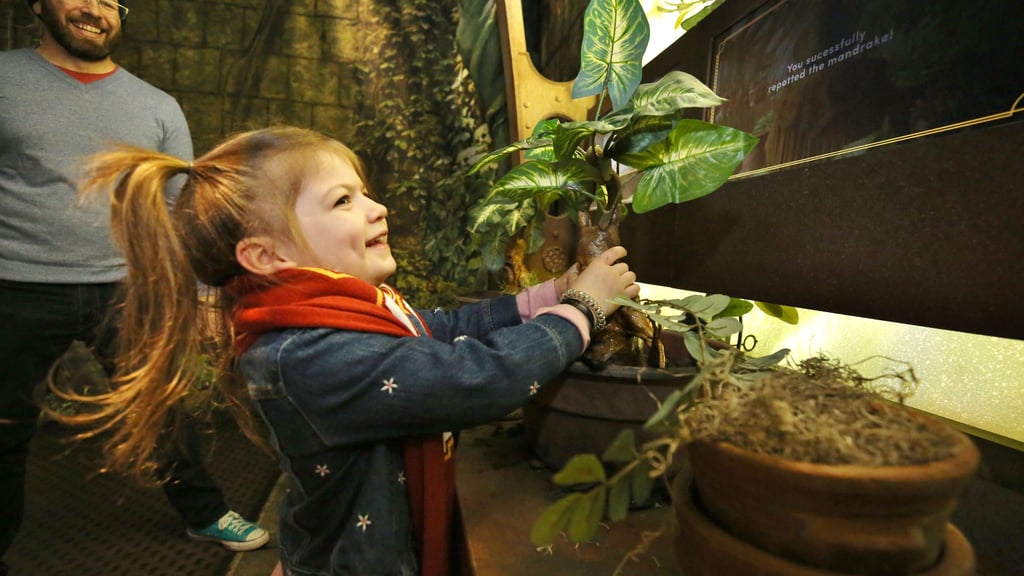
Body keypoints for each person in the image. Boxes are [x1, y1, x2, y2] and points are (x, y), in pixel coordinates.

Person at [69, 125, 641, 575]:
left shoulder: (339, 308)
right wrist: (583, 311)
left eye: (364, 193)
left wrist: (546, 296)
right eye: (344, 201)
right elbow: (473, 377)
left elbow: (436, 329)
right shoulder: (304, 353)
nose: (378, 208)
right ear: (265, 256)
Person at [0, 0, 268, 571]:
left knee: (163, 408)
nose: (96, 10)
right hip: (16, 288)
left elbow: (180, 212)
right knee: (4, 427)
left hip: (130, 289)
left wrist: (198, 295)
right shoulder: (5, 79)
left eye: (111, 1)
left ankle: (204, 512)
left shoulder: (157, 107)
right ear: (39, 5)